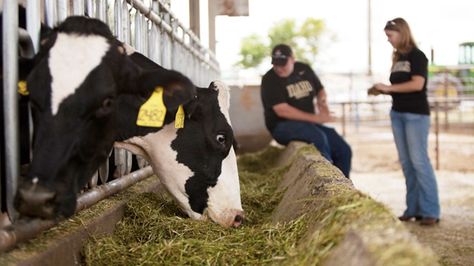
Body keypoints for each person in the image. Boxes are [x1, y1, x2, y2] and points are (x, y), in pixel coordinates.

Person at [372, 18, 440, 226]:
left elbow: (417, 84)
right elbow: (399, 85)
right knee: (407, 163)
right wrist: (380, 90)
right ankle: (413, 208)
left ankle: (431, 210)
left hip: (416, 115)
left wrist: (388, 88)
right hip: (398, 113)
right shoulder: (397, 58)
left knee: (420, 161)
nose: (388, 40)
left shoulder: (417, 56)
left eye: (390, 35)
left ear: (402, 33)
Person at [260, 44, 352, 178]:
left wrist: (322, 102)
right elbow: (282, 111)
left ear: (293, 59)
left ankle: (343, 188)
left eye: (283, 64)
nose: (279, 68)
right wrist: (317, 118)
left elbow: (320, 89)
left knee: (344, 149)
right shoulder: (269, 79)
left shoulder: (304, 69)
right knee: (318, 137)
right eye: (275, 64)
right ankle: (327, 180)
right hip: (281, 126)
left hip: (309, 123)